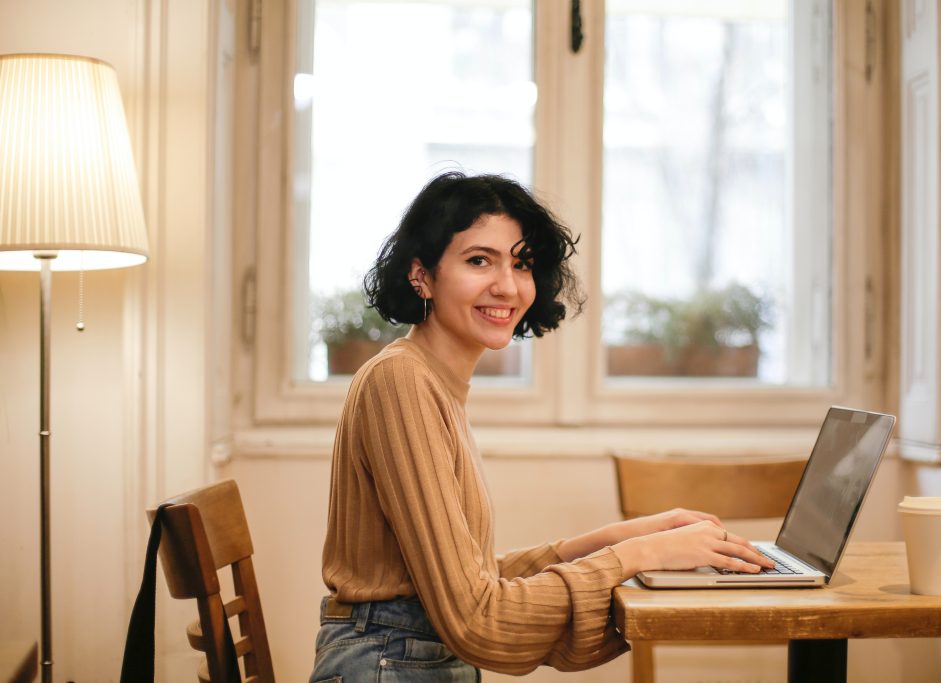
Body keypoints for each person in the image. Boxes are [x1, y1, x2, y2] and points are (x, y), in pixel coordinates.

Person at [310, 172, 774, 682]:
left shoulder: (432, 382)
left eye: (522, 262)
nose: (507, 285)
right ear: (421, 275)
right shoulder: (400, 382)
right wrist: (641, 555)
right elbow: (477, 617)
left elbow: (471, 580)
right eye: (479, 260)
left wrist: (625, 537)